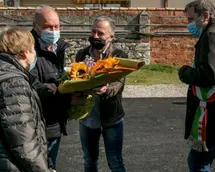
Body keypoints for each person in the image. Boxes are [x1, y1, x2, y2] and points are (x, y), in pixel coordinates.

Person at [178, 0, 215, 171]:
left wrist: (184, 72)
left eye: (191, 19)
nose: (189, 25)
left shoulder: (212, 35)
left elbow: (210, 74)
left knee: (198, 162)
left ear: (205, 15)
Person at [75, 16, 127, 172]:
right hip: (88, 118)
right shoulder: (82, 54)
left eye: (100, 33)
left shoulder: (119, 56)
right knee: (89, 161)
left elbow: (119, 83)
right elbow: (77, 77)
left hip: (111, 117)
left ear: (111, 37)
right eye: (93, 32)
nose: (95, 36)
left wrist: (106, 90)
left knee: (115, 161)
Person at [0, 28, 55, 172]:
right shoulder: (14, 83)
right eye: (33, 49)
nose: (35, 53)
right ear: (25, 52)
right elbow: (23, 141)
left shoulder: (5, 72)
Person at [30, 6, 71, 169]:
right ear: (36, 26)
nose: (53, 31)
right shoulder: (28, 50)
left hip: (54, 123)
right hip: (37, 127)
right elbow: (33, 86)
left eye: (57, 27)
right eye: (48, 27)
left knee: (51, 165)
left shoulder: (58, 47)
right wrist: (64, 94)